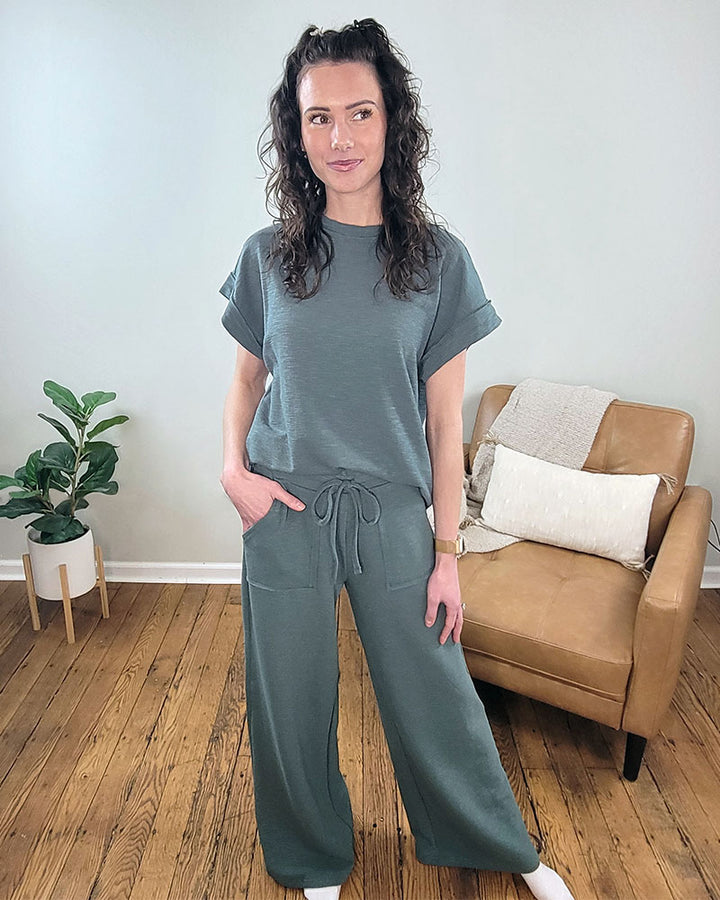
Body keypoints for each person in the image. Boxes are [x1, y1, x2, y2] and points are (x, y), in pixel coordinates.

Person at [219, 18, 575, 900]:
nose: (340, 137)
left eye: (360, 112)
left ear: (392, 120)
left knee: (435, 691)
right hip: (285, 510)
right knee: (289, 698)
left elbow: (447, 428)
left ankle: (501, 845)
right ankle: (313, 859)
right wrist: (233, 471)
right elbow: (247, 380)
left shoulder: (439, 263)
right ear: (296, 131)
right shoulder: (267, 257)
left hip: (390, 510)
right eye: (318, 117)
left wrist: (448, 554)